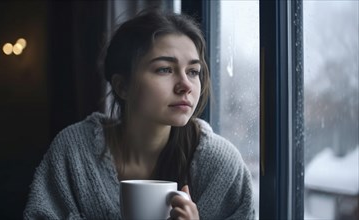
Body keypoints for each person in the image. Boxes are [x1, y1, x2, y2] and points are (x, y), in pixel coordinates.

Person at [24, 8, 255, 220]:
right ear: (122, 86)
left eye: (193, 71)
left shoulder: (220, 166)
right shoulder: (74, 151)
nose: (186, 85)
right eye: (164, 69)